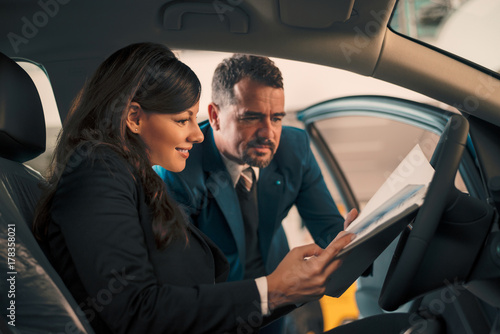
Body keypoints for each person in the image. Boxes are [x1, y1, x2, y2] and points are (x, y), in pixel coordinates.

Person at [32, 42, 354, 334]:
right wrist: (274, 291)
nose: (197, 135)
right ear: (133, 118)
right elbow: (135, 311)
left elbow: (184, 304)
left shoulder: (132, 176)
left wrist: (287, 291)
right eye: (183, 120)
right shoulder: (97, 174)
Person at [154, 54, 357, 333]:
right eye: (251, 117)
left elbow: (329, 230)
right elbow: (178, 281)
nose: (269, 133)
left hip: (279, 300)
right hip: (216, 310)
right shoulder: (179, 170)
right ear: (214, 116)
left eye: (276, 118)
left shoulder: (294, 148)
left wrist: (356, 237)